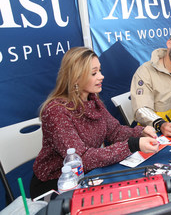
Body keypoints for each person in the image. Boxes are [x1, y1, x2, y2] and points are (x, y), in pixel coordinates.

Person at [30, 47, 159, 198]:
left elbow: (114, 132)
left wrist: (140, 132)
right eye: (94, 73)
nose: (101, 76)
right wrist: (133, 144)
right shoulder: (56, 112)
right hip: (57, 185)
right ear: (76, 78)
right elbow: (82, 159)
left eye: (100, 71)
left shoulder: (92, 100)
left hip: (88, 175)